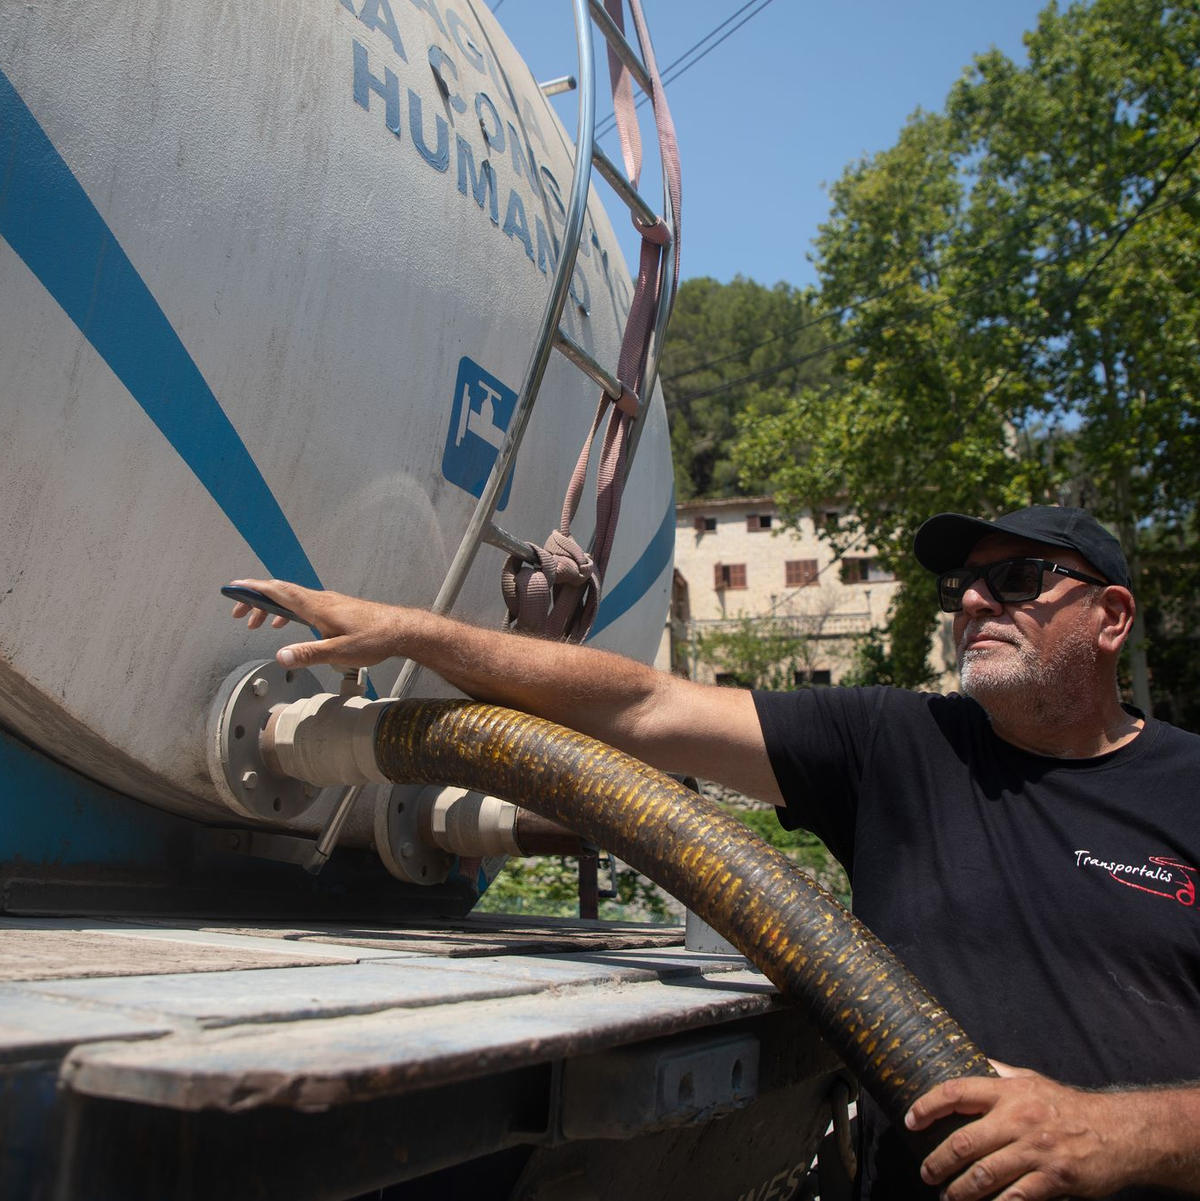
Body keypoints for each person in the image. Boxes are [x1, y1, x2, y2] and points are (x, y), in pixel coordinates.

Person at [230, 505, 1200, 1200]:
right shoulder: (899, 745)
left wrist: (1111, 1134)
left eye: (1019, 580)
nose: (976, 601)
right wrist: (415, 631)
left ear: (1111, 617)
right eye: (964, 585)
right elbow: (642, 704)